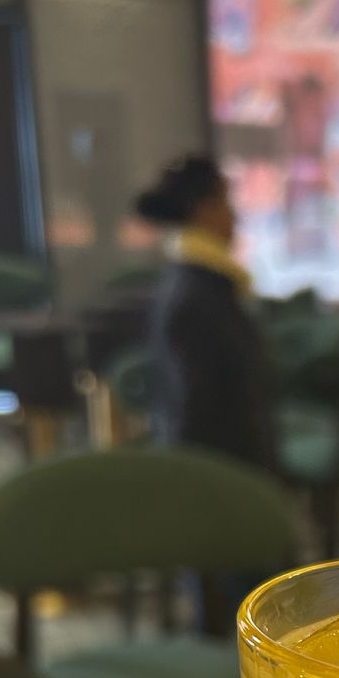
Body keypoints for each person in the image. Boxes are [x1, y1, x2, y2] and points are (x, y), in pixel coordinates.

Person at [134, 155, 276, 473]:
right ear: (204, 209)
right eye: (225, 202)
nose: (234, 216)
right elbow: (194, 416)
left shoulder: (201, 284)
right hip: (222, 478)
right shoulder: (196, 296)